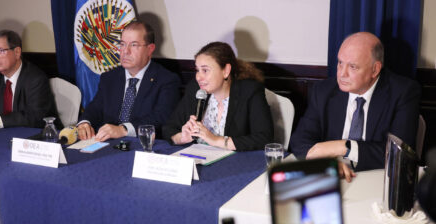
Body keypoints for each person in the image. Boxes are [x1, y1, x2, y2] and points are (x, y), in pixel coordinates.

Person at [289, 32, 421, 181]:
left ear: (375, 69)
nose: (342, 74)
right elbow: (299, 140)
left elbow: (400, 153)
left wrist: (345, 147)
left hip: (378, 179)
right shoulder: (324, 91)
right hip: (334, 177)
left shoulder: (403, 92)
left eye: (352, 67)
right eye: (340, 63)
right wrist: (325, 163)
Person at [76, 21, 180, 141]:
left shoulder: (166, 80)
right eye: (122, 44)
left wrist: (123, 129)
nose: (126, 51)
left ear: (150, 49)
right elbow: (96, 108)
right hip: (107, 144)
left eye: (134, 45)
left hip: (143, 145)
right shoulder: (109, 77)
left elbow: (161, 117)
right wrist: (85, 122)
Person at [162, 42, 273, 151]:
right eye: (197, 70)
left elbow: (264, 138)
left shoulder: (249, 91)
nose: (198, 77)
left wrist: (215, 140)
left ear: (225, 71)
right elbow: (169, 129)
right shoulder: (195, 89)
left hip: (235, 164)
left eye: (205, 70)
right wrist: (182, 137)